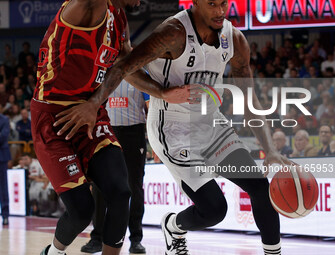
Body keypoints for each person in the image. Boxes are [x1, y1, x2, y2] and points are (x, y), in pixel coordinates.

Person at [54, 1, 297, 255]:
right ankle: (173, 225)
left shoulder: (234, 39)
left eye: (223, 3)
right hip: (171, 130)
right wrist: (157, 93)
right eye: (212, 4)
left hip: (212, 127)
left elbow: (249, 99)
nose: (219, 10)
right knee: (215, 210)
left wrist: (269, 149)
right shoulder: (173, 32)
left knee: (261, 188)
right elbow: (124, 68)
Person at [32, 1, 195, 255]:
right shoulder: (86, 7)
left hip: (91, 112)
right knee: (81, 211)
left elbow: (125, 68)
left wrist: (162, 92)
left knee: (121, 192)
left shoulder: (118, 17)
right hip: (54, 117)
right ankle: (53, 252)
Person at [81, 80, 149, 254]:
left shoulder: (142, 75)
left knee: (134, 186)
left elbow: (150, 106)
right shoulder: (104, 74)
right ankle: (96, 238)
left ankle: (135, 239)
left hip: (134, 132)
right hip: (106, 131)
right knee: (99, 185)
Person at [0, 106, 11, 225]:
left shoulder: (4, 119)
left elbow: (3, 136)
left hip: (1, 157)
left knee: (3, 188)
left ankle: (5, 215)